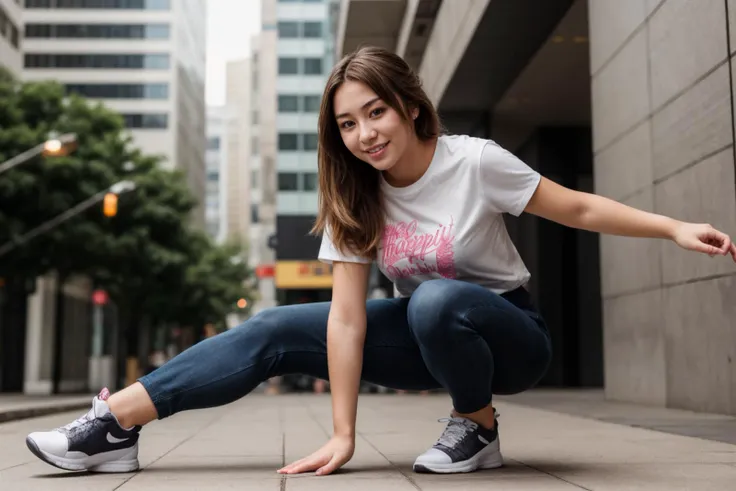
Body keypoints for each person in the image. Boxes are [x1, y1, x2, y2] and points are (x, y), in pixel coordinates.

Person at [25, 46, 736, 476]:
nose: (364, 133)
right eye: (347, 122)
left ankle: (477, 427)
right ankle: (113, 426)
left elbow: (575, 207)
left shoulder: (473, 162)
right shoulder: (356, 196)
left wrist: (673, 227)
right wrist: (344, 433)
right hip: (423, 336)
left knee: (434, 299)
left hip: (511, 337)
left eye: (375, 113)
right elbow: (343, 323)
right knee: (275, 329)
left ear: (408, 107)